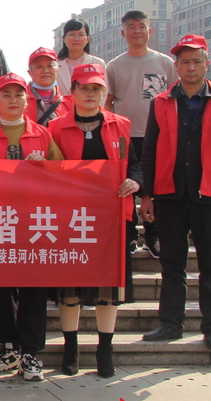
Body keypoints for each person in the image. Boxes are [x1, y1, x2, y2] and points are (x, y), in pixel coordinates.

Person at [139, 35, 211, 351]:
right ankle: (171, 323)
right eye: (184, 61)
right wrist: (147, 195)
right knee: (172, 263)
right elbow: (149, 151)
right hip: (170, 194)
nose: (191, 67)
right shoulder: (161, 102)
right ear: (176, 66)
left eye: (197, 61)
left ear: (206, 64)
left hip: (210, 196)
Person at [48, 64, 142, 377]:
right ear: (72, 92)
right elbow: (48, 168)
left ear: (104, 92)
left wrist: (135, 182)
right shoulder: (56, 128)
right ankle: (71, 346)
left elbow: (134, 164)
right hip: (71, 218)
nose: (90, 94)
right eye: (84, 88)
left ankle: (105, 349)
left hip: (111, 219)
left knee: (107, 285)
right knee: (70, 285)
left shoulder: (120, 125)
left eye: (96, 89)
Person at [0, 73, 63, 382]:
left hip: (35, 222)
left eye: (19, 95)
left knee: (34, 288)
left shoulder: (43, 135)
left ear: (27, 101)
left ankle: (31, 352)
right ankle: (9, 346)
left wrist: (44, 167)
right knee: (4, 288)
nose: (13, 100)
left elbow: (62, 174)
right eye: (6, 95)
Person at [105, 10, 178, 259]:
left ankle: (153, 236)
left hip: (158, 135)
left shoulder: (165, 63)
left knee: (154, 186)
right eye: (131, 27)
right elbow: (108, 102)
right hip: (124, 136)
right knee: (126, 185)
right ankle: (130, 236)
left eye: (141, 26)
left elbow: (174, 99)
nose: (137, 31)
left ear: (150, 30)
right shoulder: (114, 65)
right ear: (123, 32)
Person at [56, 18, 106, 96]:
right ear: (64, 39)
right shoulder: (55, 66)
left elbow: (105, 92)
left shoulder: (98, 63)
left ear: (88, 39)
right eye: (72, 34)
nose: (76, 39)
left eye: (81, 34)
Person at [27, 47, 73, 125]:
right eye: (39, 67)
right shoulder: (21, 101)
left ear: (57, 70)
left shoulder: (69, 103)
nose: (45, 71)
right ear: (30, 72)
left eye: (50, 66)